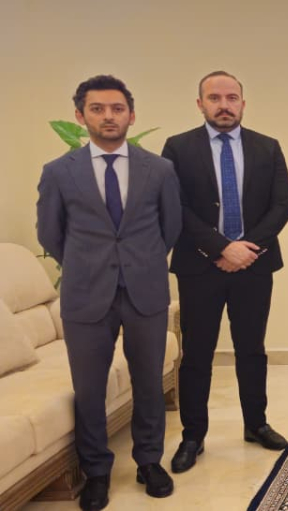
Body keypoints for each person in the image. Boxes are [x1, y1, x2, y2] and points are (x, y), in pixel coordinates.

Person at [37, 75, 182, 509]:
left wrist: (139, 261)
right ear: (80, 116)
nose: (108, 116)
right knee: (89, 388)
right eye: (97, 109)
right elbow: (50, 234)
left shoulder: (159, 169)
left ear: (131, 115)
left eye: (117, 109)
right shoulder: (59, 172)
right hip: (86, 296)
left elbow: (170, 227)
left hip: (145, 292)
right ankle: (96, 471)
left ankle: (149, 461)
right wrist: (89, 264)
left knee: (149, 383)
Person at [162, 71, 288, 472]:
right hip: (199, 266)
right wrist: (221, 248)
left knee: (251, 349)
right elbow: (176, 206)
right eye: (215, 98)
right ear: (200, 104)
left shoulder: (267, 147)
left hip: (254, 266)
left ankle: (256, 424)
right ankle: (193, 436)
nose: (224, 105)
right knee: (197, 353)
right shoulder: (178, 148)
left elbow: (281, 205)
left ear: (243, 104)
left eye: (231, 97)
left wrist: (245, 249)